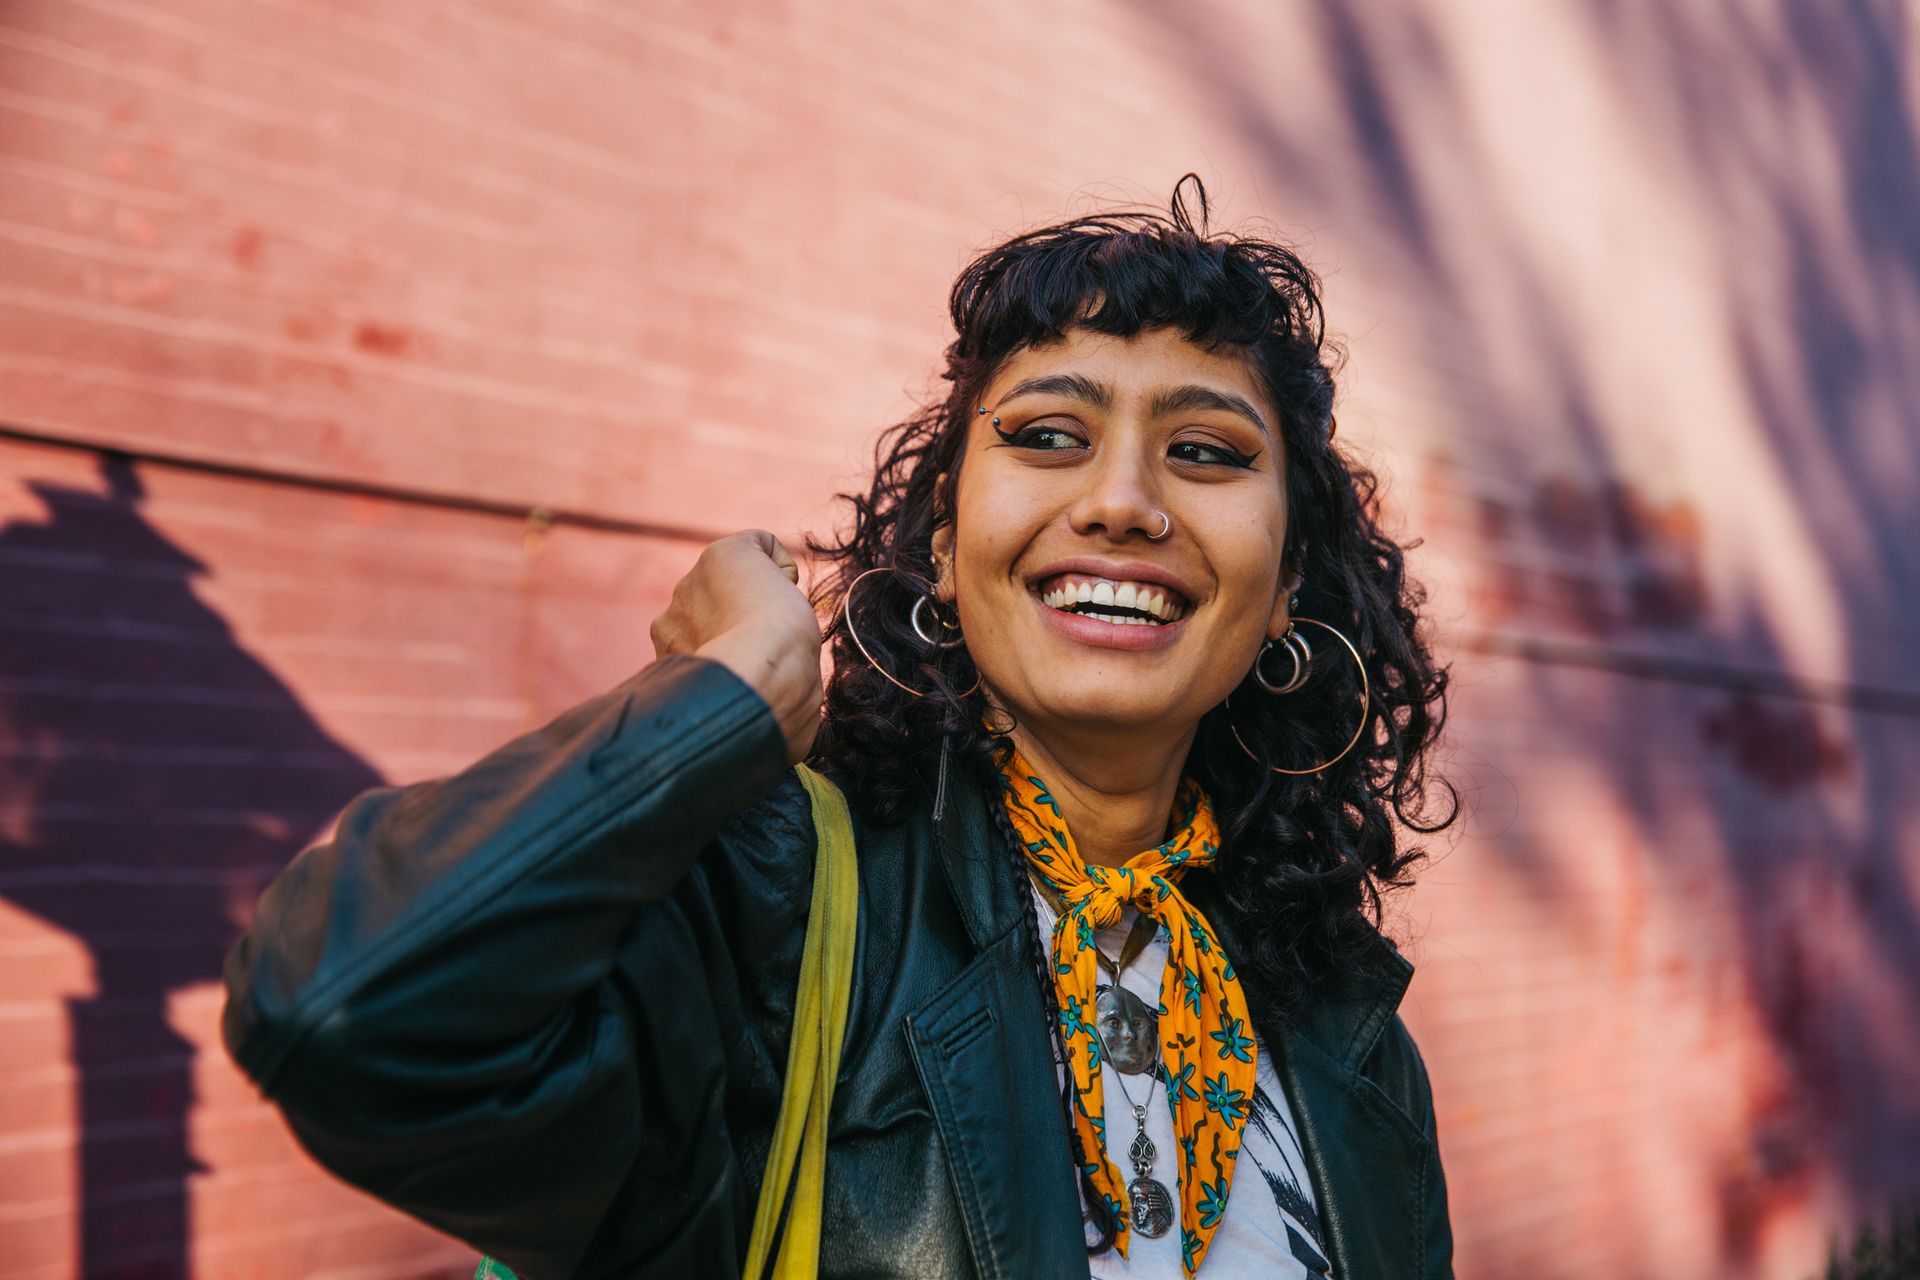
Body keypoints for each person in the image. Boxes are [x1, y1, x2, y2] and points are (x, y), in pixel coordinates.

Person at [221, 175, 1455, 1279]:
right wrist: (727, 698)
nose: (1124, 501)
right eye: (1044, 436)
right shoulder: (776, 907)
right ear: (942, 537)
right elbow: (346, 1008)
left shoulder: (1345, 1029)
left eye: (1204, 450)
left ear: (1288, 574)